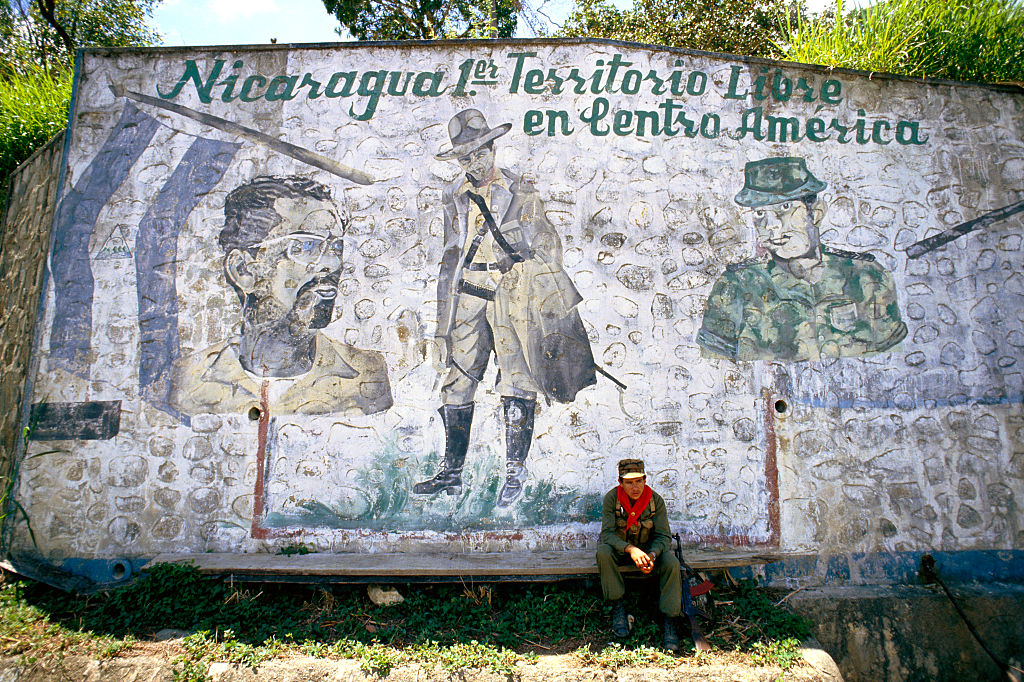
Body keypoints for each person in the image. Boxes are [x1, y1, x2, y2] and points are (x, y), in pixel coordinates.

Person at [413, 109, 595, 506]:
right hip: (469, 295)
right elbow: (449, 259)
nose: (473, 163)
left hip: (513, 296)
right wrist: (442, 327)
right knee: (458, 381)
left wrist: (525, 262)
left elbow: (550, 246)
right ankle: (451, 473)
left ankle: (514, 473)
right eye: (465, 157)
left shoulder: (522, 192)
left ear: (492, 149)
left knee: (517, 380)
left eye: (478, 153)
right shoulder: (455, 197)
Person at [170, 175, 392, 416]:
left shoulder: (367, 376)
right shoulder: (191, 381)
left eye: (335, 247)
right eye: (305, 246)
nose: (329, 264)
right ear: (243, 270)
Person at [697, 156, 907, 362]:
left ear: (815, 213)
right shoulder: (737, 286)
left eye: (785, 208)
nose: (771, 225)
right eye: (760, 213)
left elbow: (891, 361)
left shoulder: (865, 276)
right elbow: (716, 367)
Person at [597, 458, 682, 651]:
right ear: (621, 482)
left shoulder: (655, 500)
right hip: (623, 551)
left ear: (644, 479)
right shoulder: (612, 499)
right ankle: (618, 606)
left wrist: (652, 554)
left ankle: (670, 620)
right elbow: (608, 534)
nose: (635, 487)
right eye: (629, 482)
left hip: (648, 553)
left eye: (638, 481)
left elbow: (663, 536)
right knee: (603, 552)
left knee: (671, 562)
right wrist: (631, 550)